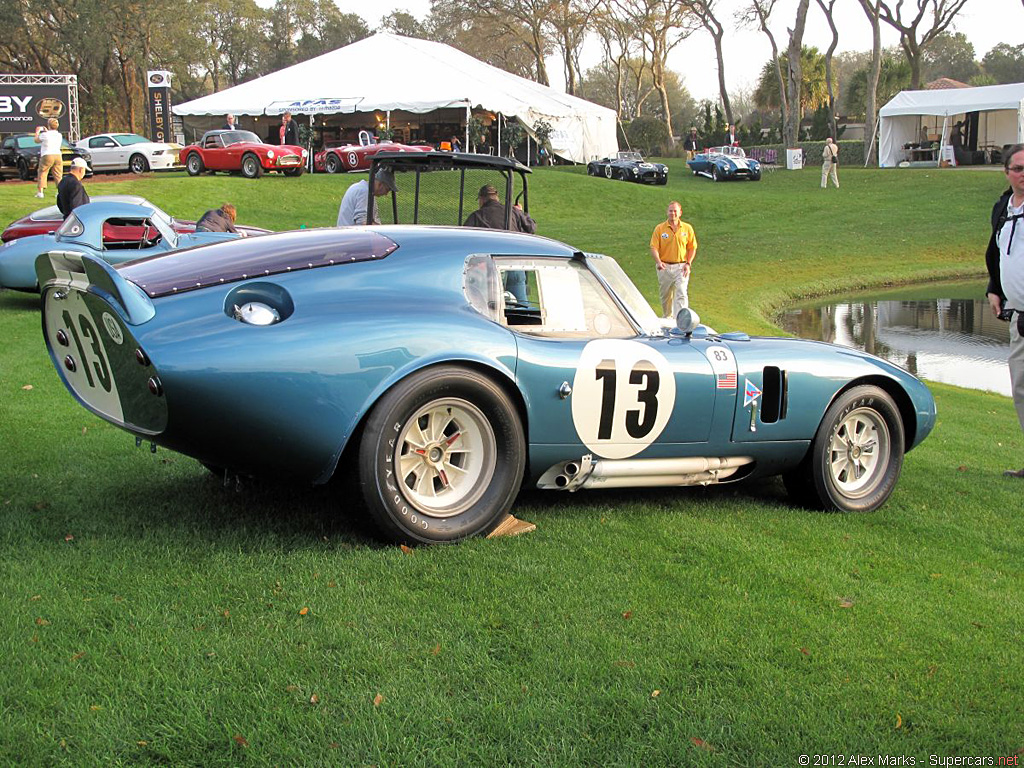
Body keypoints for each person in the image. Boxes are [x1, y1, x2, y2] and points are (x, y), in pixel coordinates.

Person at [985, 142, 1024, 478]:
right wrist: (994, 289)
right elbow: (995, 255)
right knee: (1022, 390)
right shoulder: (1003, 208)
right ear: (1007, 173)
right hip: (1019, 319)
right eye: (1019, 169)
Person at [649, 200, 697, 319]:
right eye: (670, 211)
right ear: (667, 212)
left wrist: (688, 263)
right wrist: (658, 262)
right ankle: (667, 317)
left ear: (680, 213)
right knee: (665, 295)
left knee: (681, 292)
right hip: (664, 266)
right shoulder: (660, 228)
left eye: (675, 211)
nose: (673, 213)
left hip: (681, 267)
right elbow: (654, 247)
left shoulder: (687, 228)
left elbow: (692, 247)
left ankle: (681, 320)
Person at [463, 184, 535, 233]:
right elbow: (531, 228)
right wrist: (520, 211)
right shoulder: (512, 211)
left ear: (482, 199)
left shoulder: (476, 216)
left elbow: (464, 234)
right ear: (497, 197)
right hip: (512, 251)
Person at [34, 118, 63, 199]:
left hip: (47, 155)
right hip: (57, 155)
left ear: (48, 125)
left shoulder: (45, 135)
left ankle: (40, 192)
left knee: (42, 173)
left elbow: (36, 140)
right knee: (58, 175)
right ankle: (59, 192)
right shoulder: (59, 135)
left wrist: (37, 132)